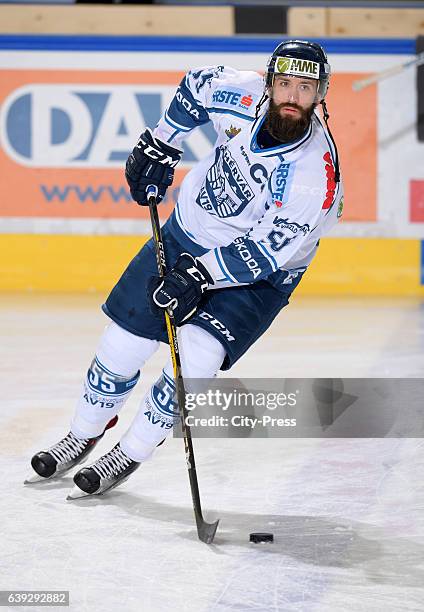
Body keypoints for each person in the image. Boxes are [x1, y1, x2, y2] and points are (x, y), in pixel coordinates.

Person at [26, 40, 344, 498]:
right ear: (269, 82)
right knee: (119, 348)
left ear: (321, 94)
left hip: (258, 279)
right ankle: (83, 431)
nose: (293, 95)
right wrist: (162, 141)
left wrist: (198, 276)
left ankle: (130, 452)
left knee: (193, 361)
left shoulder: (315, 176)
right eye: (284, 83)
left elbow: (263, 253)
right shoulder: (241, 93)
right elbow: (195, 86)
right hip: (185, 235)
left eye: (306, 87)